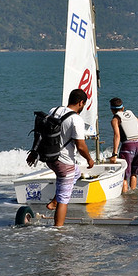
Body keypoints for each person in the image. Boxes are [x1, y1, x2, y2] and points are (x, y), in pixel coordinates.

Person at [45, 88, 95, 226]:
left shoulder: (53, 111)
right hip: (64, 163)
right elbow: (80, 145)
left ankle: (54, 201)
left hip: (50, 158)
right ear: (81, 103)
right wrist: (89, 159)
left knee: (77, 172)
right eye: (84, 105)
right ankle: (58, 231)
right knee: (64, 199)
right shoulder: (76, 119)